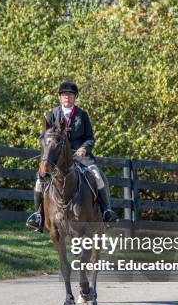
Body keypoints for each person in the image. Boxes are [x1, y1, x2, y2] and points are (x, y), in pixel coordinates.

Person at [26, 80, 116, 232]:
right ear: (59, 97)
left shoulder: (82, 115)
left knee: (97, 175)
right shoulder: (52, 115)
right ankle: (38, 216)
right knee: (39, 181)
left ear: (75, 97)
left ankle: (106, 211)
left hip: (80, 156)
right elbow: (44, 137)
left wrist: (83, 148)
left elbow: (90, 138)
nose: (67, 97)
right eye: (64, 95)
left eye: (70, 95)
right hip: (58, 158)